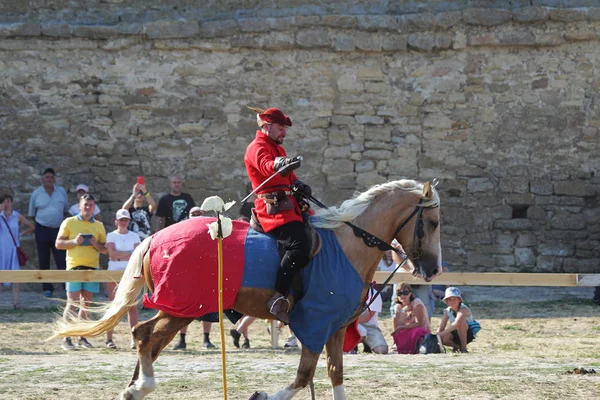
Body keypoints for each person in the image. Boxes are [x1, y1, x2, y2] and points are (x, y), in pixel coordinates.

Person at [244, 107, 313, 323]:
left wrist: (299, 184)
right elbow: (266, 166)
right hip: (272, 210)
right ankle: (278, 296)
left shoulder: (278, 148)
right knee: (298, 245)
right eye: (281, 127)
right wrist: (278, 164)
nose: (284, 132)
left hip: (289, 206)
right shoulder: (257, 147)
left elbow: (290, 177)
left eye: (285, 128)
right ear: (267, 126)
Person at [55, 194, 107, 350]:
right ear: (79, 206)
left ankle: (82, 337)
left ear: (94, 207)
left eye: (91, 205)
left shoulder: (98, 225)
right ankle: (66, 337)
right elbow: (58, 244)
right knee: (73, 303)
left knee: (87, 304)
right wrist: (73, 242)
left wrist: (95, 244)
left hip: (92, 268)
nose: (88, 207)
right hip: (74, 267)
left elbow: (104, 249)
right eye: (85, 204)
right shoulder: (69, 222)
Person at [172, 205, 214, 351]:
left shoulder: (210, 232)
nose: (196, 215)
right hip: (188, 275)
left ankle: (206, 339)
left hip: (205, 273)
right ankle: (182, 340)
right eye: (194, 213)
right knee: (185, 308)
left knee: (207, 309)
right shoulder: (182, 230)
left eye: (199, 213)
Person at [28, 168, 70, 297]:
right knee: (43, 259)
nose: (49, 179)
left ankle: (65, 286)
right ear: (42, 179)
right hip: (42, 229)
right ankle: (47, 288)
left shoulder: (61, 192)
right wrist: (43, 222)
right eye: (47, 177)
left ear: (54, 179)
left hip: (58, 230)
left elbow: (66, 210)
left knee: (61, 259)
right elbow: (32, 213)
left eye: (51, 177)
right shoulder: (36, 193)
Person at [105, 209, 141, 349]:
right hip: (114, 272)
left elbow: (137, 256)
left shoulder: (134, 236)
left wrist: (122, 255)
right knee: (113, 305)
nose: (123, 222)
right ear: (116, 221)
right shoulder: (111, 235)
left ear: (129, 221)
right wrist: (130, 253)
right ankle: (109, 339)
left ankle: (134, 339)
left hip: (130, 272)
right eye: (121, 220)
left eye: (126, 219)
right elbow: (112, 255)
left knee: (132, 306)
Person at [0, 194, 35, 308]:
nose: (6, 204)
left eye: (8, 201)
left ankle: (16, 303)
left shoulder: (17, 216)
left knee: (15, 276)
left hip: (13, 249)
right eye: (4, 202)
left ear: (12, 203)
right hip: (1, 248)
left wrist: (20, 234)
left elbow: (31, 226)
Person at [436, 287, 480, 353]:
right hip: (455, 333)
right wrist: (437, 336)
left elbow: (457, 323)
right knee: (444, 338)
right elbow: (442, 326)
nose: (452, 301)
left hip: (468, 333)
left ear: (459, 300)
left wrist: (441, 334)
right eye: (449, 299)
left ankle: (464, 348)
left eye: (454, 299)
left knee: (461, 323)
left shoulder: (463, 309)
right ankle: (457, 346)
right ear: (447, 301)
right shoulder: (447, 310)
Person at [391, 282, 431, 354]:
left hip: (421, 329)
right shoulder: (398, 307)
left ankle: (418, 348)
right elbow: (399, 324)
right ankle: (399, 346)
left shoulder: (416, 303)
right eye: (399, 294)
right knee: (399, 331)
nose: (402, 295)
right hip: (408, 329)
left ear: (410, 294)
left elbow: (420, 323)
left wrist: (402, 327)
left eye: (405, 293)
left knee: (416, 331)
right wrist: (403, 311)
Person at [356, 286, 388, 354]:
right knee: (361, 330)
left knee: (382, 350)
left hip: (370, 327)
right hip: (352, 325)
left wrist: (350, 319)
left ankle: (367, 344)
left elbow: (366, 318)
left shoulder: (374, 294)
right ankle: (353, 347)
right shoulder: (350, 291)